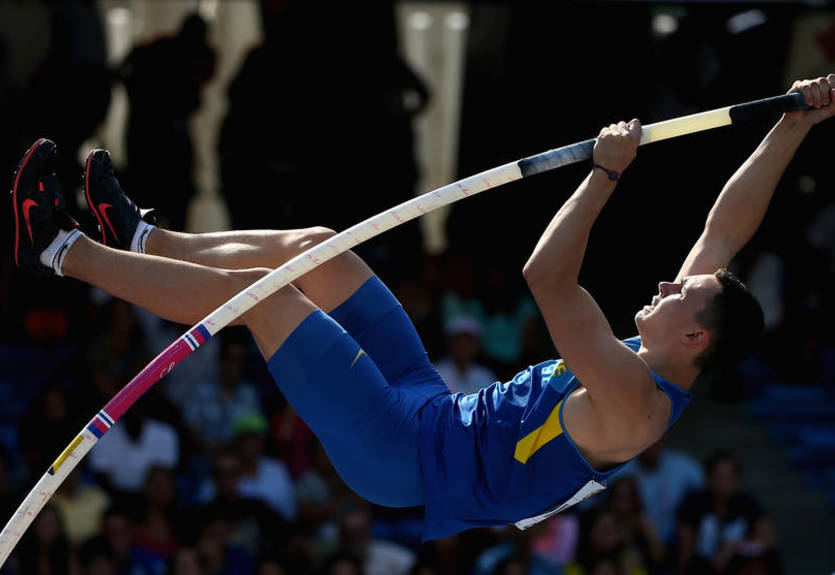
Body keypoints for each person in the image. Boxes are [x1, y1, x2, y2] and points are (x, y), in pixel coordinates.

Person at [9, 76, 834, 541]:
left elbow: (545, 275)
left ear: (695, 334)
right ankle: (143, 236)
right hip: (431, 403)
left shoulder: (634, 400)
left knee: (256, 302)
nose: (664, 283)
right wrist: (793, 125)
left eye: (676, 294)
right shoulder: (672, 343)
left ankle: (56, 249)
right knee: (319, 251)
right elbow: (722, 233)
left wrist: (604, 172)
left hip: (400, 455)